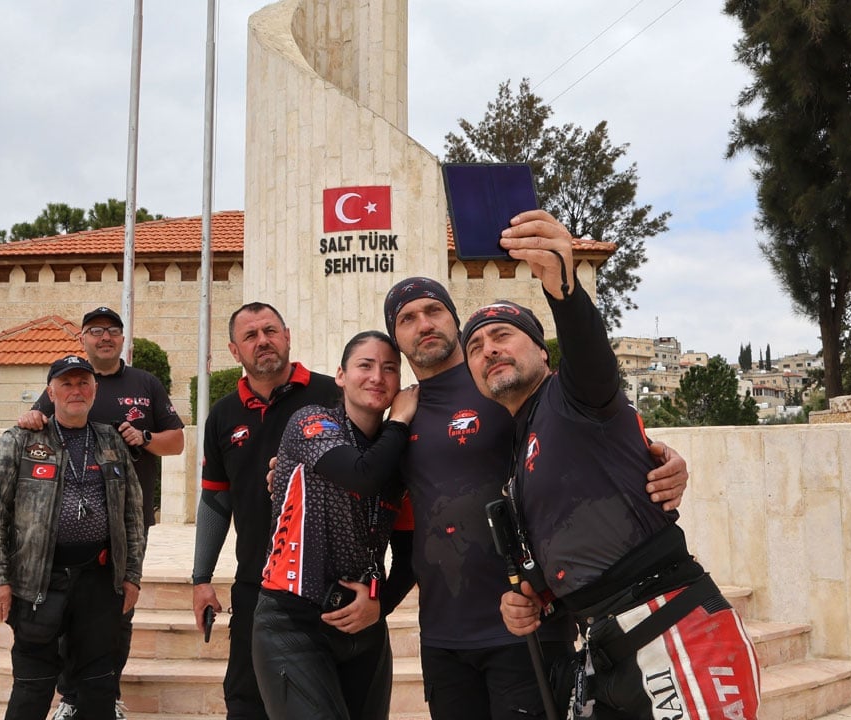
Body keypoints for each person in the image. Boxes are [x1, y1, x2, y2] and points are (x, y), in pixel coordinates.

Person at [465, 210, 760, 720]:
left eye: (503, 336)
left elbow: (588, 348)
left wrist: (564, 287)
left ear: (542, 351)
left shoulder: (576, 394)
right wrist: (533, 598)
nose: (489, 350)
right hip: (606, 649)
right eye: (475, 347)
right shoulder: (521, 447)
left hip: (675, 628)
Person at [380, 277, 691, 720]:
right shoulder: (395, 410)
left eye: (434, 311)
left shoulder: (501, 382)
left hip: (527, 625)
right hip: (443, 633)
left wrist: (660, 457)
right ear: (396, 337)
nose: (423, 324)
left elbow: (593, 430)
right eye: (407, 318)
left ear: (453, 317)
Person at [19, 306, 185, 719]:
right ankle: (71, 697)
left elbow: (177, 442)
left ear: (122, 339)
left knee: (118, 612)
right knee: (63, 612)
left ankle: (105, 693)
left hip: (127, 520)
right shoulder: (66, 379)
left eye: (112, 330)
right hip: (65, 526)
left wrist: (145, 437)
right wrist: (29, 417)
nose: (105, 337)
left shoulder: (145, 383)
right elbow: (38, 420)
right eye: (95, 331)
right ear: (83, 339)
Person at [252, 331, 419, 720]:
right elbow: (361, 475)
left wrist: (380, 606)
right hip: (292, 622)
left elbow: (411, 554)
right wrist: (403, 419)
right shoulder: (312, 422)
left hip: (364, 629)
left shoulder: (400, 455)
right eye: (365, 365)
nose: (377, 376)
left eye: (389, 368)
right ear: (341, 376)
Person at [0, 355, 145, 720]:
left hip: (98, 583)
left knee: (99, 685)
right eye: (66, 384)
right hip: (39, 583)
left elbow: (133, 516)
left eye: (84, 383)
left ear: (95, 392)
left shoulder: (111, 440)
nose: (76, 391)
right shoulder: (19, 441)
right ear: (50, 393)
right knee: (32, 686)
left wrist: (131, 576)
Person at [192, 302, 342, 719]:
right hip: (255, 584)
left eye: (270, 331)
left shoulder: (332, 395)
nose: (263, 342)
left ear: (287, 336)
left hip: (326, 586)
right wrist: (201, 579)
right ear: (234, 351)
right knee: (246, 700)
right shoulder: (223, 415)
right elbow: (216, 500)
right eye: (251, 336)